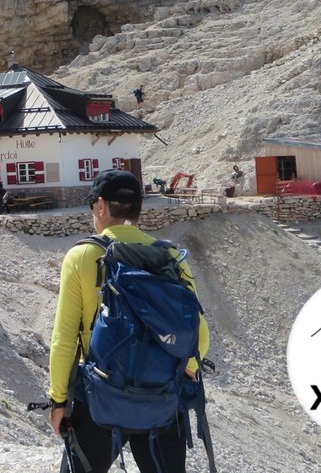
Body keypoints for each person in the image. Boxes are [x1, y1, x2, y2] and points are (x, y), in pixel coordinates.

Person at [48, 170, 210, 473]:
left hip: (99, 402)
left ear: (100, 206)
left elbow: (65, 339)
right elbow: (199, 338)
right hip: (163, 402)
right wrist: (184, 370)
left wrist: (58, 402)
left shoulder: (83, 255)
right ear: (139, 207)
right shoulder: (171, 257)